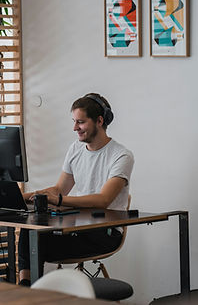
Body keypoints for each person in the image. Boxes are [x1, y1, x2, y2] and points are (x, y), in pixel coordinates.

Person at [18, 93, 134, 286]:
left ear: (99, 121)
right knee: (29, 228)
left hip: (104, 233)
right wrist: (24, 197)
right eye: (74, 121)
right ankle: (25, 288)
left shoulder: (121, 156)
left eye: (80, 122)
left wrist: (60, 200)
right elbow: (59, 189)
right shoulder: (75, 149)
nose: (75, 128)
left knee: (36, 240)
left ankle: (29, 291)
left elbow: (103, 200)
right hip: (78, 226)